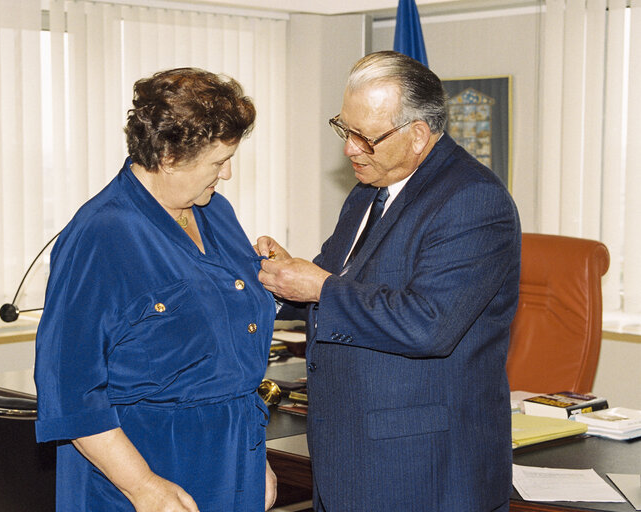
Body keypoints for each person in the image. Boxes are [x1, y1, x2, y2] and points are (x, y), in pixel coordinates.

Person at [257, 51, 521, 511]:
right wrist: (284, 278)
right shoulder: (368, 192)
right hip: (349, 452)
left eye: (364, 136)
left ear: (418, 135)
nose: (349, 149)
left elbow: (429, 325)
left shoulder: (473, 200)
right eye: (344, 128)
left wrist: (318, 286)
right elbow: (340, 283)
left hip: (421, 467)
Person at [35, 67, 277, 512]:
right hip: (141, 468)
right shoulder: (101, 235)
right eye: (218, 162)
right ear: (167, 156)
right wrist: (143, 486)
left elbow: (229, 349)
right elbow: (70, 391)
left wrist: (252, 457)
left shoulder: (215, 213)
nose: (226, 175)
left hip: (231, 455)